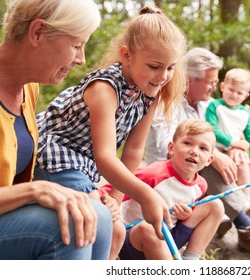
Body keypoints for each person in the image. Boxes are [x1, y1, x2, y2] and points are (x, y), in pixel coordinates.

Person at [33, 6, 187, 259]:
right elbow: (105, 157)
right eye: (154, 66)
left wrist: (115, 198)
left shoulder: (149, 92)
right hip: (55, 156)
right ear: (126, 55)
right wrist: (145, 194)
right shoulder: (105, 89)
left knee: (114, 226)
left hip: (85, 166)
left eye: (170, 68)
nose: (163, 77)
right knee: (112, 229)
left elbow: (134, 149)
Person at [0, 0, 113, 260]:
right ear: (37, 32)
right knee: (65, 227)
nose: (82, 59)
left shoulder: (28, 88)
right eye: (76, 45)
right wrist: (36, 190)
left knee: (97, 216)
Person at [145, 47, 250, 259]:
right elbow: (168, 149)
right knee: (212, 165)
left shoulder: (209, 105)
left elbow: (227, 134)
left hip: (200, 168)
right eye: (210, 81)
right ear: (189, 80)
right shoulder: (166, 104)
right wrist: (214, 154)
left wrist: (237, 148)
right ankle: (249, 229)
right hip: (173, 174)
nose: (215, 86)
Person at [113, 119, 224, 260]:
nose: (194, 151)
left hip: (169, 238)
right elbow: (114, 187)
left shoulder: (201, 185)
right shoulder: (153, 173)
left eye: (203, 148)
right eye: (187, 143)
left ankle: (189, 259)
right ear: (171, 148)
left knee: (215, 205)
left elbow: (182, 217)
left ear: (209, 159)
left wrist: (185, 215)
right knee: (149, 227)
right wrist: (110, 203)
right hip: (136, 243)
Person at [205, 68, 250, 217]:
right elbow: (212, 129)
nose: (234, 95)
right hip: (217, 149)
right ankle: (222, 207)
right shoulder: (215, 106)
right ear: (223, 87)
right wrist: (234, 143)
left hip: (236, 151)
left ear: (246, 96)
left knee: (242, 164)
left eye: (239, 93)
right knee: (221, 174)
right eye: (231, 90)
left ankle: (246, 200)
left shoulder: (245, 113)